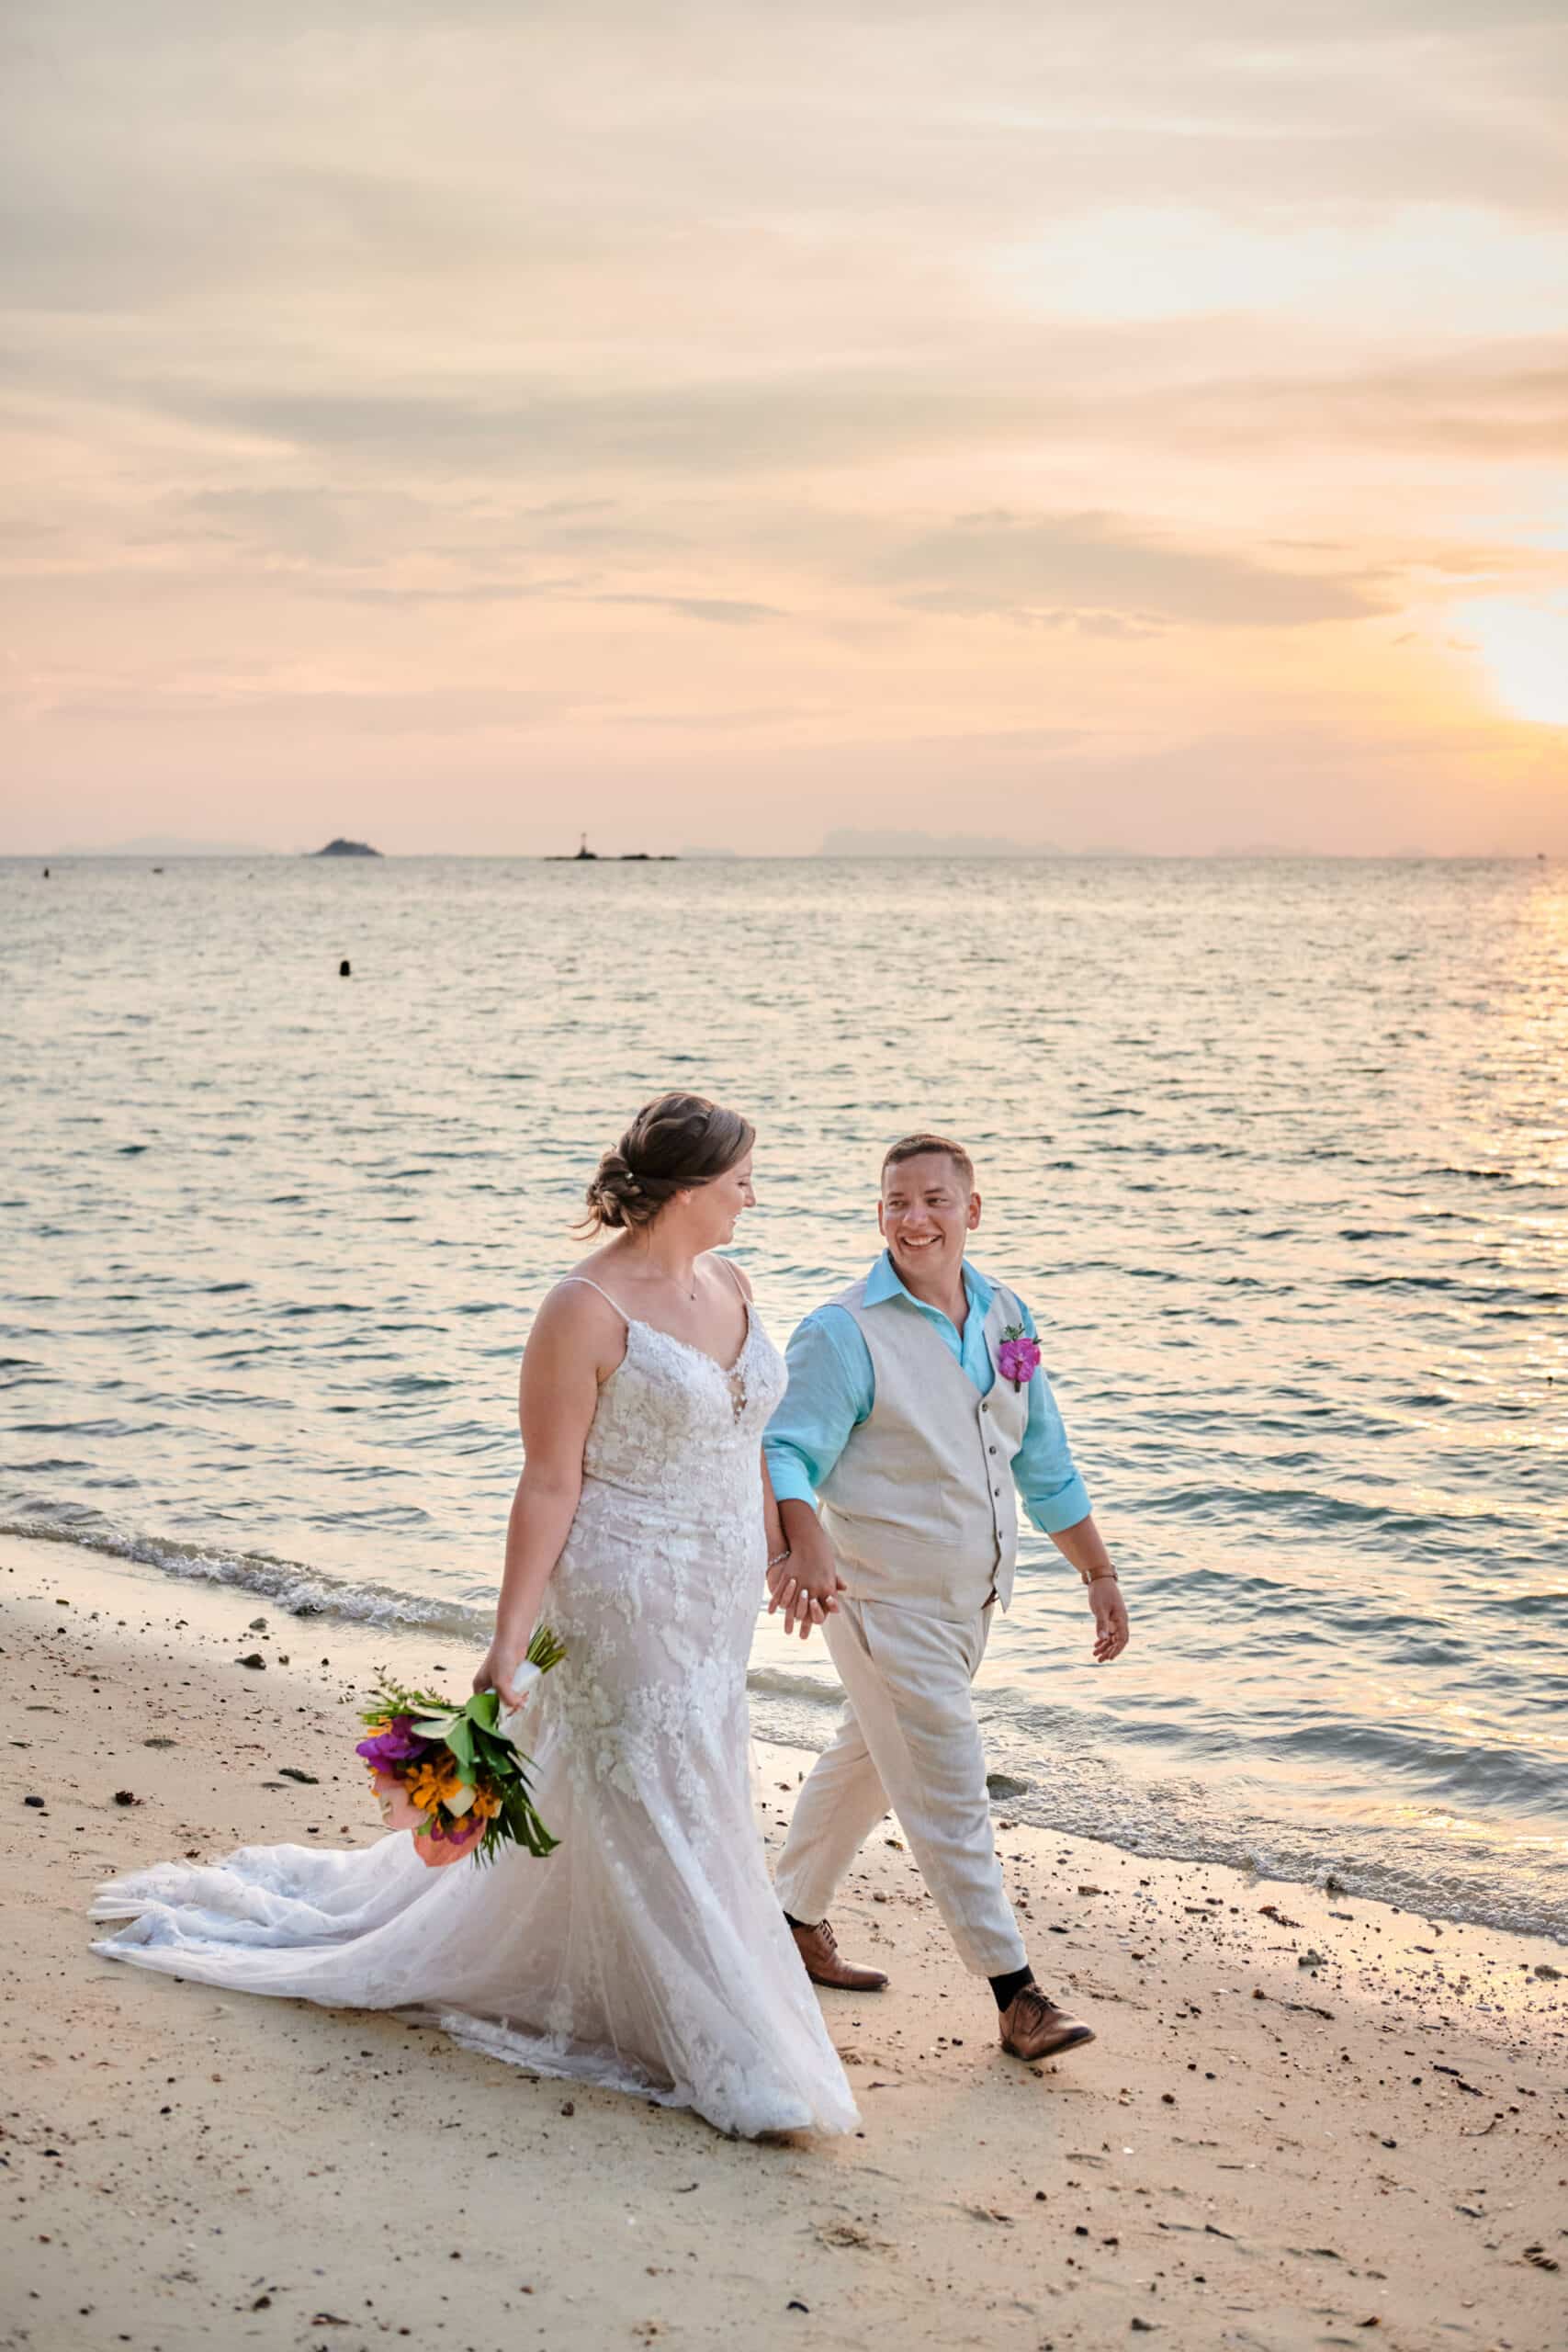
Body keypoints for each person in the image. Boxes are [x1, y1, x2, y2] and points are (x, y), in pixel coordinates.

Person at [92, 1093, 857, 2141]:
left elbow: (747, 1439)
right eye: (739, 1181)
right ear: (687, 1188)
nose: (752, 1195)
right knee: (648, 1792)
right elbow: (547, 1484)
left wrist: (783, 1542)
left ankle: (652, 1991)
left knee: (701, 1781)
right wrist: (507, 1643)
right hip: (621, 1588)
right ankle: (721, 2038)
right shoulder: (583, 1309)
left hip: (716, 1595)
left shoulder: (734, 1283)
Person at [762, 1132, 1129, 2064]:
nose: (913, 1218)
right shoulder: (841, 1331)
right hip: (879, 1600)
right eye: (895, 1201)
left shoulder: (1007, 1318)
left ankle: (789, 1919)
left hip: (972, 1604)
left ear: (973, 1209)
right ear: (878, 1213)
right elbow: (785, 1450)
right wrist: (801, 1543)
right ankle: (1017, 1995)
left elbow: (1042, 1457)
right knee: (950, 1782)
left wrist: (1098, 1572)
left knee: (873, 1758)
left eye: (932, 1200)